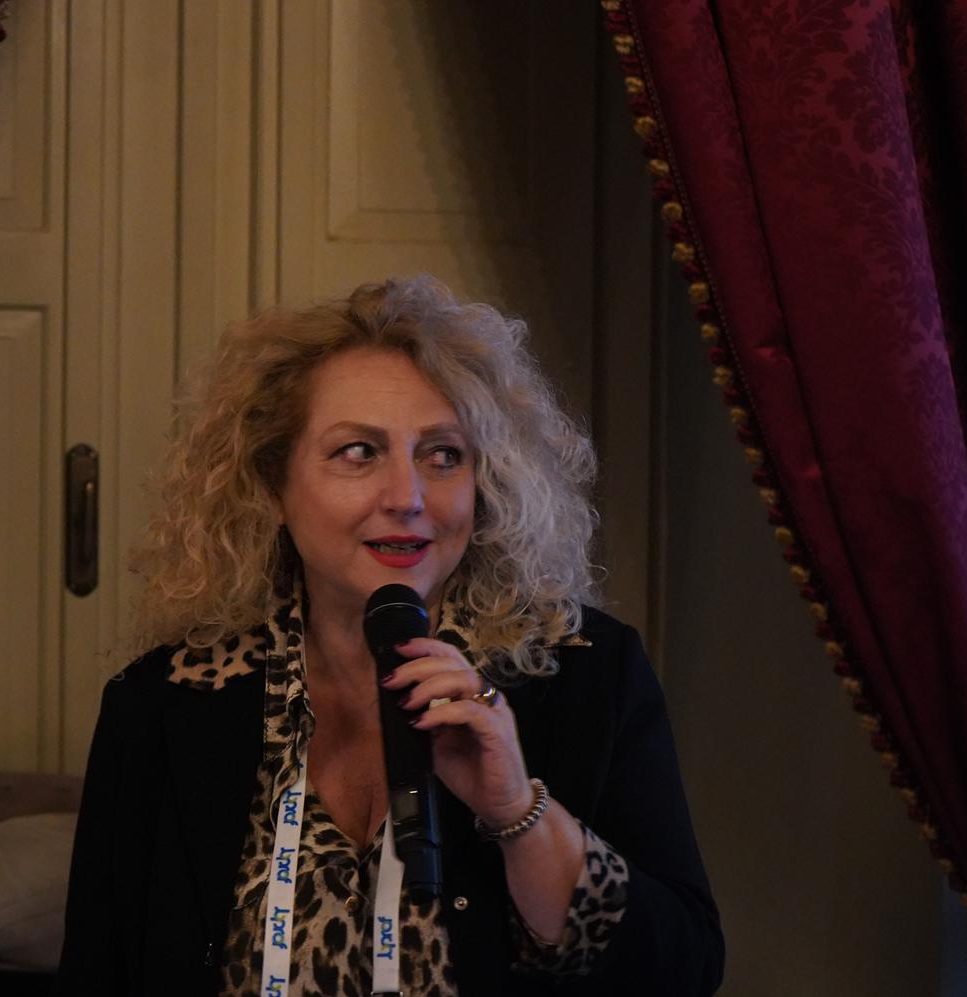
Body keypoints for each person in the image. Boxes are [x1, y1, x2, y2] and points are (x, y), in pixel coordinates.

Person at [57, 276, 723, 996]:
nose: (407, 496)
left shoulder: (588, 676)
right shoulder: (163, 702)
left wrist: (517, 812)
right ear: (273, 487)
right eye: (357, 452)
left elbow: (683, 971)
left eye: (443, 455)